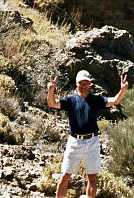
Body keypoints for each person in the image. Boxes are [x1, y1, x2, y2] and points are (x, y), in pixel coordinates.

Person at [48, 70, 129, 198]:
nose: (84, 85)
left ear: (90, 84)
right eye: (81, 83)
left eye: (86, 82)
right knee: (65, 176)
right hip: (75, 141)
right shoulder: (70, 100)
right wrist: (51, 90)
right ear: (76, 83)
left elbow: (114, 101)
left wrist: (123, 90)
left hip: (92, 141)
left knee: (92, 178)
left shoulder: (96, 100)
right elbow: (52, 103)